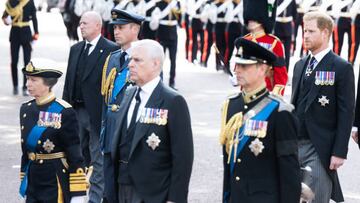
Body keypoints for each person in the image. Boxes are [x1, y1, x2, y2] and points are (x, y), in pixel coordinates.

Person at [111, 39, 194, 203]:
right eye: (130, 59)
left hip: (153, 193)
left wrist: (175, 198)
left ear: (155, 64)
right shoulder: (129, 94)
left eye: (137, 60)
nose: (130, 65)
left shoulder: (172, 101)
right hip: (121, 186)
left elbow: (183, 157)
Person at [220, 37, 301, 203]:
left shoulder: (280, 111)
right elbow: (228, 165)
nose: (237, 70)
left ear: (262, 68)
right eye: (237, 64)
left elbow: (289, 174)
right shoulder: (231, 106)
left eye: (244, 66)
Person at [291, 11, 355, 203]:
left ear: (325, 33)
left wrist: (339, 151)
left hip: (320, 147)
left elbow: (346, 112)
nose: (306, 36)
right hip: (295, 144)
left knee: (316, 198)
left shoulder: (341, 67)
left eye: (311, 31)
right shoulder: (300, 65)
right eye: (304, 31)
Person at [62, 11, 118, 203]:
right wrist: (63, 110)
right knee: (74, 155)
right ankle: (74, 197)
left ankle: (95, 199)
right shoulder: (76, 49)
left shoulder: (111, 49)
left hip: (96, 114)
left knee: (97, 160)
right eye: (80, 23)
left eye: (85, 23)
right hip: (75, 112)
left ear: (97, 26)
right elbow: (69, 82)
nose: (81, 26)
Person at [19, 59, 87, 202]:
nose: (28, 84)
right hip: (32, 180)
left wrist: (78, 192)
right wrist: (23, 182)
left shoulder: (64, 111)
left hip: (54, 180)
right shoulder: (26, 109)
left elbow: (75, 154)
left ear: (48, 83)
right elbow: (26, 152)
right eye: (27, 79)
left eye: (33, 80)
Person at [100, 8, 144, 203]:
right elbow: (106, 100)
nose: (116, 31)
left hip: (129, 135)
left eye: (121, 27)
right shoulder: (112, 58)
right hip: (110, 133)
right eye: (115, 27)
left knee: (128, 191)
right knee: (109, 191)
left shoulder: (145, 59)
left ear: (135, 29)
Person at [242, 0, 288, 95]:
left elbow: (281, 74)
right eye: (249, 19)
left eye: (254, 19)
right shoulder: (245, 41)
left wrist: (275, 96)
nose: (250, 22)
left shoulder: (274, 43)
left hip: (266, 93)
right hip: (247, 93)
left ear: (262, 20)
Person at [2, 0, 39, 96]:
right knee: (14, 61)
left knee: (27, 62)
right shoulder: (11, 2)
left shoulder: (29, 2)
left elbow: (34, 17)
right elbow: (4, 17)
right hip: (15, 34)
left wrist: (36, 32)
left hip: (26, 34)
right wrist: (6, 20)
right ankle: (15, 86)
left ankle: (25, 86)